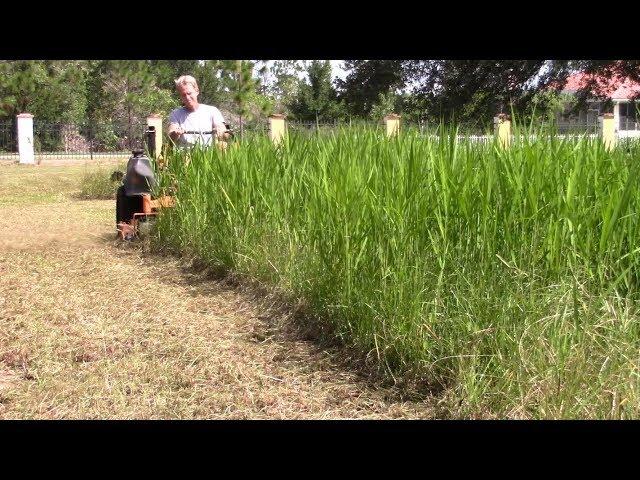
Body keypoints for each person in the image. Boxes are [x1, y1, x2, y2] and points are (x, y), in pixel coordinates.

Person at [168, 75, 230, 148]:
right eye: (183, 95)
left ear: (197, 91)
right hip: (185, 156)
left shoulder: (212, 111)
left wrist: (221, 130)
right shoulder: (176, 114)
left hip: (208, 156)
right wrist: (175, 133)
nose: (187, 97)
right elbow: (171, 134)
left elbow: (223, 132)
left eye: (189, 93)